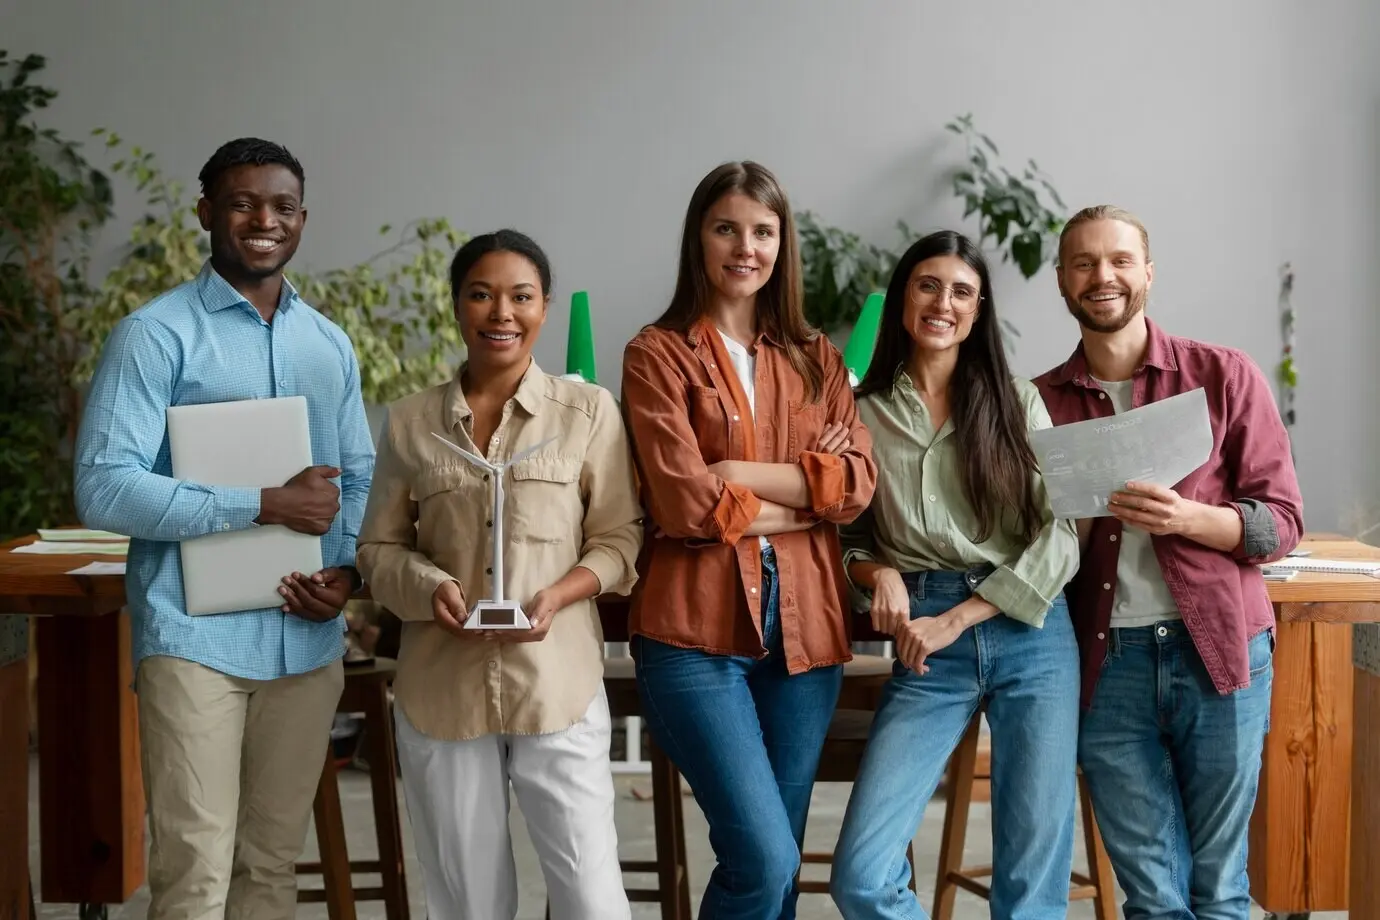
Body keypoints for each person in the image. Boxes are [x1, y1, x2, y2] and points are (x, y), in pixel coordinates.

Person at [73, 137, 374, 919]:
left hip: (304, 643)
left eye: (280, 206)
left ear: (302, 219)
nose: (262, 221)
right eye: (242, 203)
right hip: (195, 644)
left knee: (271, 868)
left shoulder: (328, 343)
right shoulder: (156, 334)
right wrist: (262, 503)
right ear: (207, 212)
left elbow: (360, 474)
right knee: (196, 868)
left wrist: (345, 576)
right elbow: (104, 488)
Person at [356, 230, 642, 920]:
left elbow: (619, 540)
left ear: (544, 308)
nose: (501, 313)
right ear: (458, 307)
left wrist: (560, 594)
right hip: (441, 691)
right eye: (481, 295)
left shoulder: (591, 414)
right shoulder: (409, 424)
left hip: (558, 685)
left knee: (590, 896)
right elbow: (377, 550)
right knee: (465, 901)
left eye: (521, 296)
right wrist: (431, 587)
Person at [620, 160, 877, 918]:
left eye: (763, 232)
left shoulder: (815, 357)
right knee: (763, 857)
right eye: (726, 228)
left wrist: (735, 471)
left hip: (804, 637)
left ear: (782, 244)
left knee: (782, 866)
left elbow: (856, 483)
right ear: (698, 238)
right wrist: (803, 502)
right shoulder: (657, 354)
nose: (746, 247)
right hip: (693, 637)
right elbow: (685, 503)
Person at [1033, 205, 1305, 918]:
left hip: (1220, 653)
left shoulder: (1223, 376)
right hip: (1105, 664)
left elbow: (1283, 521)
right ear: (1061, 279)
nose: (1103, 276)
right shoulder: (1038, 403)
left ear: (1147, 272)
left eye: (1120, 260)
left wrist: (1192, 520)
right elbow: (1026, 545)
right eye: (1084, 263)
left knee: (1221, 890)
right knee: (1152, 897)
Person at [828, 231, 1082, 919]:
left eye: (961, 291)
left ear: (977, 311)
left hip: (1029, 629)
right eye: (928, 285)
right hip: (923, 643)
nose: (943, 303)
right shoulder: (859, 414)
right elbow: (845, 535)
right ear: (902, 298)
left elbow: (1061, 532)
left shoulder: (1017, 402)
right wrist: (876, 572)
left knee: (1031, 888)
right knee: (860, 877)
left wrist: (962, 616)